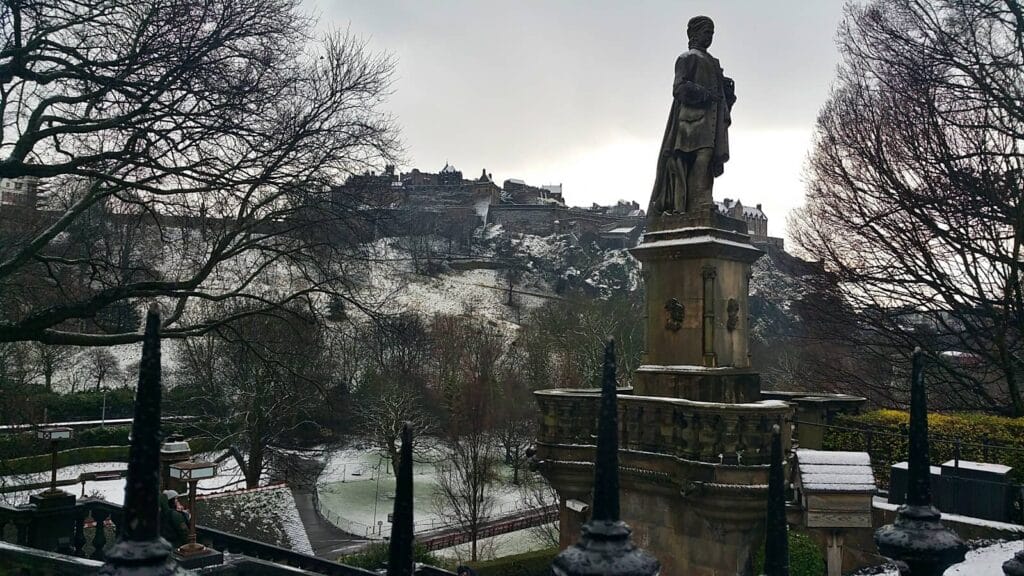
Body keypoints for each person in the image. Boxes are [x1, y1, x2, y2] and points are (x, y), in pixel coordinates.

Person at [649, 15, 736, 216]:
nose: (710, 37)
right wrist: (705, 94)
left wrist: (728, 92)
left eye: (712, 33)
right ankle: (698, 202)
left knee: (707, 159)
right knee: (698, 159)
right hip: (691, 123)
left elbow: (721, 96)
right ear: (695, 33)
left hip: (710, 123)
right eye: (707, 32)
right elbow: (679, 88)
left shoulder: (713, 62)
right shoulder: (687, 59)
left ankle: (703, 200)